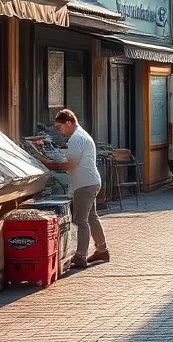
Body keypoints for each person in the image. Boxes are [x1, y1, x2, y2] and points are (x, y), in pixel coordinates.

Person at [41, 109, 109, 269]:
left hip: (84, 185)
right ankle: (102, 249)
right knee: (92, 217)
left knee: (81, 220)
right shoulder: (82, 135)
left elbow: (70, 165)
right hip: (90, 182)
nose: (59, 130)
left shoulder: (75, 138)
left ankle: (80, 256)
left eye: (60, 127)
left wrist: (47, 163)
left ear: (69, 122)